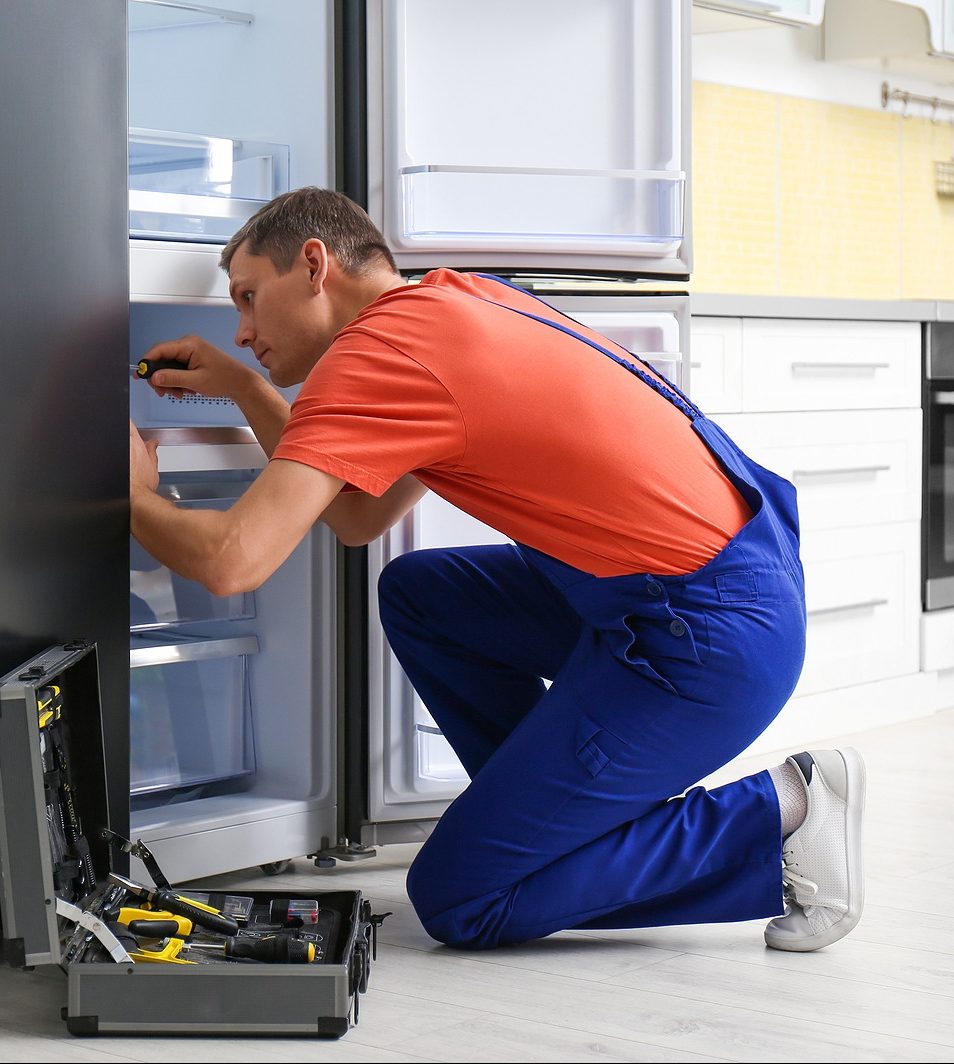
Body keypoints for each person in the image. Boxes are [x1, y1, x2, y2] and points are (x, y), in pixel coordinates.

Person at [130, 186, 866, 953]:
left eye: (249, 298)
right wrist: (250, 390)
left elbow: (231, 560)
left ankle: (784, 812)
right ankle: (540, 826)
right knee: (422, 595)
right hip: (735, 589)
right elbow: (358, 517)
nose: (243, 330)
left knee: (462, 900)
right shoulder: (465, 298)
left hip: (700, 642)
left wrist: (130, 493)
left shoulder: (376, 355)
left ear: (314, 264)